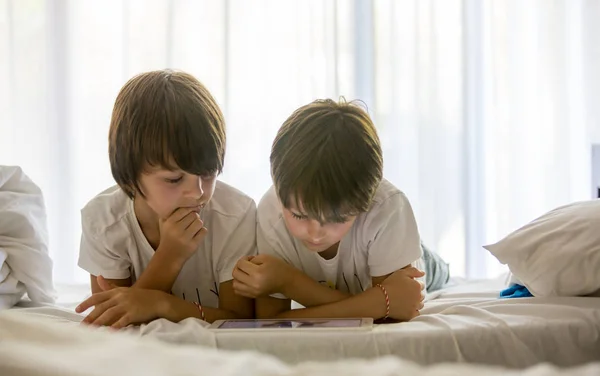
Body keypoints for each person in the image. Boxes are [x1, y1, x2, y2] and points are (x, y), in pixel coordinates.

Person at [232, 99, 449, 321]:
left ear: (366, 201)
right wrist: (379, 302)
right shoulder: (272, 210)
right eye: (298, 215)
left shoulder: (387, 207)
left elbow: (397, 313)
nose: (315, 233)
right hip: (358, 277)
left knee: (437, 269)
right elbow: (272, 320)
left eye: (337, 219)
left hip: (413, 258)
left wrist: (289, 282)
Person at [75, 70, 256, 328]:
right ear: (129, 178)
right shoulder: (103, 220)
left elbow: (242, 322)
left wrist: (162, 304)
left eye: (208, 175)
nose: (197, 192)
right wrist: (169, 257)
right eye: (173, 179)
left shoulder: (236, 215)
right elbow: (113, 323)